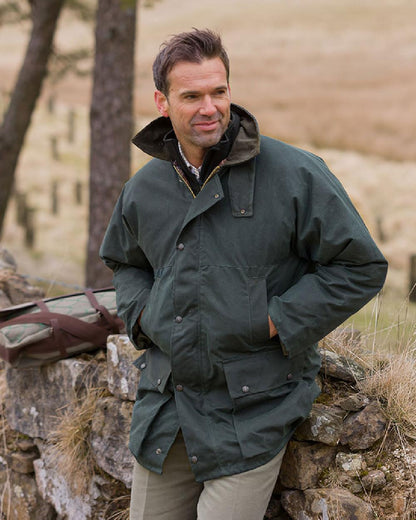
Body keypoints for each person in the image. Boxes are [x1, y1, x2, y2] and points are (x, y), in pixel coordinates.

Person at [99, 28, 387, 520]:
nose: (209, 107)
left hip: (255, 406)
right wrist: (144, 314)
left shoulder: (294, 174)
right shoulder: (144, 189)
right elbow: (126, 261)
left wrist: (272, 319)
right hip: (169, 403)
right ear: (162, 102)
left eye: (219, 91)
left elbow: (359, 266)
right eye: (192, 95)